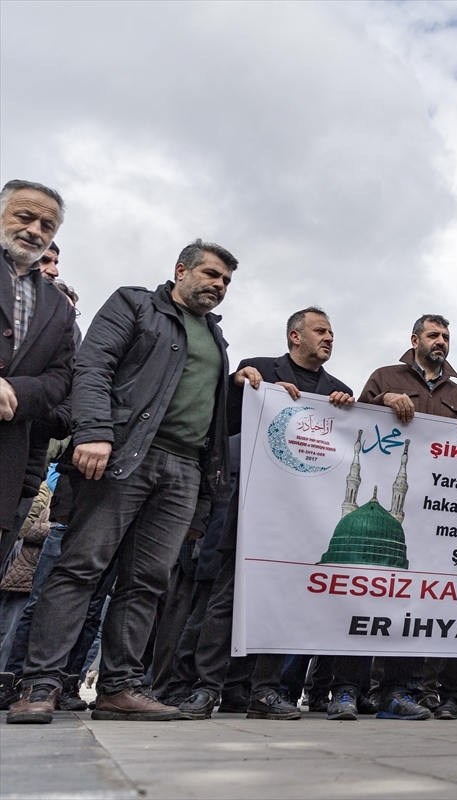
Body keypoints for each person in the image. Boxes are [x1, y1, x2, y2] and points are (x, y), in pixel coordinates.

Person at [8, 239, 237, 724]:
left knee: (147, 583)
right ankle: (41, 684)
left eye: (227, 281)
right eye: (212, 274)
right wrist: (93, 432)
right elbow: (93, 367)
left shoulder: (218, 340)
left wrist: (200, 499)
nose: (219, 286)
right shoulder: (134, 304)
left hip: (183, 470)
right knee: (80, 569)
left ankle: (119, 688)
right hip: (125, 456)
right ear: (181, 270)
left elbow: (213, 419)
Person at [176, 307, 354, 721]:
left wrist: (348, 409)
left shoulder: (338, 390)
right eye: (320, 331)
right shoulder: (257, 369)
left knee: (283, 604)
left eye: (331, 332)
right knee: (227, 600)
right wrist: (239, 385)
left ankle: (263, 691)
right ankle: (206, 688)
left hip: (304, 517)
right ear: (295, 336)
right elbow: (223, 423)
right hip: (252, 510)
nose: (329, 338)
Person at [331, 313, 457, 723]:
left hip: (429, 514)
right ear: (414, 339)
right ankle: (347, 689)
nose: (441, 341)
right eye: (433, 334)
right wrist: (381, 402)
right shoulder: (385, 376)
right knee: (361, 594)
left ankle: (400, 691)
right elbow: (353, 426)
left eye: (446, 336)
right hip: (381, 496)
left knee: (417, 602)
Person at [0, 181, 75, 569]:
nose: (35, 230)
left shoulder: (59, 309)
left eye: (47, 225)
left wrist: (15, 390)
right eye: (25, 217)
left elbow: (61, 379)